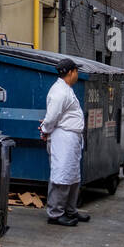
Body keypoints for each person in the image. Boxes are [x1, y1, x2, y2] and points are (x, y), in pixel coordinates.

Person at [40, 58, 89, 227]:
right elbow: (52, 116)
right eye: (76, 71)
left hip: (71, 138)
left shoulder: (65, 90)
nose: (77, 75)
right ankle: (55, 214)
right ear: (71, 72)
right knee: (61, 175)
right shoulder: (59, 92)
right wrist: (45, 130)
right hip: (63, 138)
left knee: (72, 176)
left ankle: (70, 209)